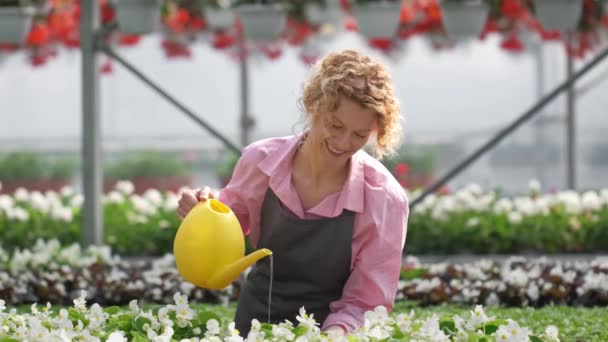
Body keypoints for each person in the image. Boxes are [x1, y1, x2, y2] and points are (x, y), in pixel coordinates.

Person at [176, 49, 409, 337]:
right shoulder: (260, 162)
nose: (343, 142)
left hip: (330, 332)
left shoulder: (383, 198)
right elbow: (228, 227)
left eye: (359, 135)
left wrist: (328, 336)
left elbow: (367, 301)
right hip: (255, 326)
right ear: (314, 106)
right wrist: (201, 211)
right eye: (335, 125)